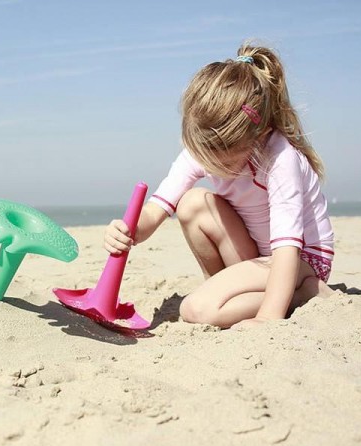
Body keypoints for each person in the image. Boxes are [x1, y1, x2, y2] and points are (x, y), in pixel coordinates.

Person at [104, 42, 335, 329]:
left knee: (195, 309)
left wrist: (267, 318)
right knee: (191, 203)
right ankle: (223, 292)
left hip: (300, 261)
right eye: (202, 154)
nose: (207, 163)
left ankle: (303, 294)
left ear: (257, 136)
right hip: (258, 254)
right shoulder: (205, 147)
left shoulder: (279, 159)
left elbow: (287, 248)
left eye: (219, 159)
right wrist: (130, 230)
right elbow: (157, 209)